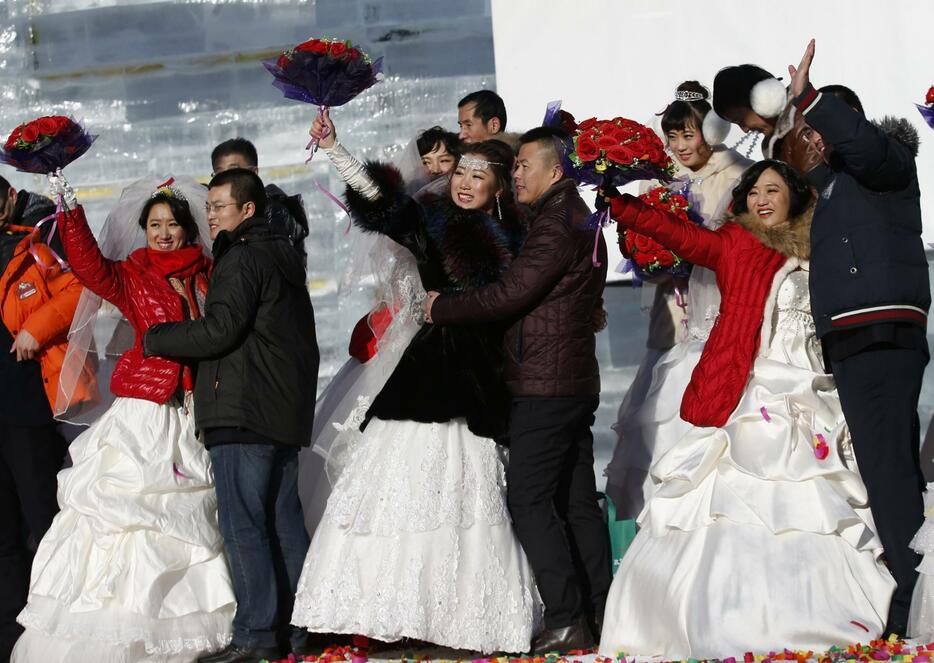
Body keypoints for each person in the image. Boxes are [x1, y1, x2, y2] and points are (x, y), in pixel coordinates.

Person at [598, 160, 894, 658]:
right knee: (728, 494)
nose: (761, 198)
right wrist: (622, 206)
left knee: (817, 502)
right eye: (753, 190)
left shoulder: (825, 246)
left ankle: (813, 611)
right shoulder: (737, 243)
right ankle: (718, 612)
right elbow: (682, 237)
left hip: (815, 392)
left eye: (772, 189)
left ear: (794, 197)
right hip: (750, 388)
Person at [291, 111, 538, 654]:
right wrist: (337, 151)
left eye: (478, 174)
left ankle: (465, 618)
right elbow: (384, 206)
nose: (465, 183)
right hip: (430, 371)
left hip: (488, 376)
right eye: (460, 173)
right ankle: (393, 613)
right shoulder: (431, 221)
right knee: (401, 490)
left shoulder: (524, 235)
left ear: (498, 184)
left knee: (474, 501)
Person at [12, 175, 235, 663]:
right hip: (146, 414)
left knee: (196, 521)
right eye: (154, 225)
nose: (163, 233)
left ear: (190, 229)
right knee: (131, 522)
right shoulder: (132, 275)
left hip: (198, 413)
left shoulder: (211, 274)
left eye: (172, 225)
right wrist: (68, 205)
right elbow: (89, 267)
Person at [425, 126, 611, 654]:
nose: (517, 174)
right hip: (567, 377)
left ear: (555, 171)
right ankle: (598, 611)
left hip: (545, 381)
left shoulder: (556, 222)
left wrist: (442, 306)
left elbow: (511, 293)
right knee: (574, 502)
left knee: (529, 500)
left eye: (525, 165)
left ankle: (567, 616)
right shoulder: (570, 215)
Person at [143, 168, 318, 663]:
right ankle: (300, 629)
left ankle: (256, 634)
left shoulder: (241, 258)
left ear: (247, 211)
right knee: (283, 521)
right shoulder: (283, 254)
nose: (211, 216)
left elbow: (219, 331)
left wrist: (157, 337)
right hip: (280, 410)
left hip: (244, 409)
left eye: (220, 207)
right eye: (210, 206)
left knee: (244, 526)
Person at [788, 40, 930, 639]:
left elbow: (861, 145)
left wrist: (812, 99)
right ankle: (907, 583)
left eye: (825, 129)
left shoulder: (888, 163)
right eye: (811, 133)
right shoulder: (829, 187)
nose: (816, 140)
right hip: (849, 338)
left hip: (883, 329)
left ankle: (915, 592)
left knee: (891, 466)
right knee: (880, 466)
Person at [603, 81, 753, 522]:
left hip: (720, 303)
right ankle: (662, 513)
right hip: (673, 304)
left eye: (688, 135)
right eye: (673, 137)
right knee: (663, 398)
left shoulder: (740, 174)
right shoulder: (662, 176)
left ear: (710, 132)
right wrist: (646, 253)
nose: (679, 146)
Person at [0, 175, 84, 662]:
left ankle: (56, 629)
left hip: (25, 405)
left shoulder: (34, 243)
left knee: (44, 520)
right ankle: (12, 638)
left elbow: (77, 291)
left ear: (10, 197)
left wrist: (36, 326)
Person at [210, 137, 310, 265]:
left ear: (254, 172)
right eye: (219, 174)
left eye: (234, 171)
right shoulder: (224, 211)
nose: (226, 180)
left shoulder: (273, 210)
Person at [712, 64, 794, 158]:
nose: (745, 130)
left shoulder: (807, 120)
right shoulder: (771, 148)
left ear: (763, 98)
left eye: (741, 120)